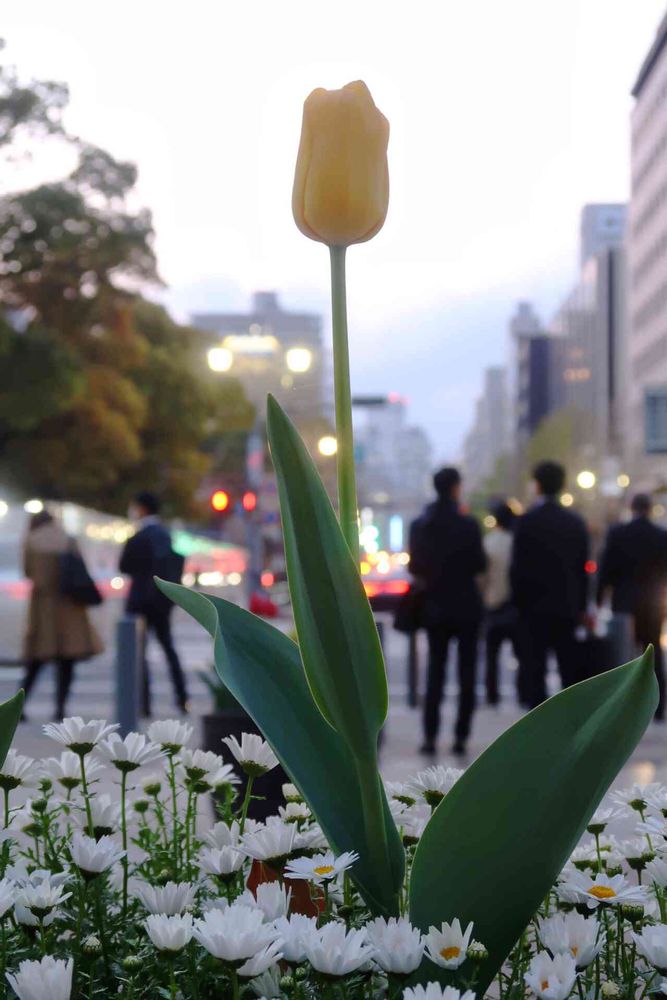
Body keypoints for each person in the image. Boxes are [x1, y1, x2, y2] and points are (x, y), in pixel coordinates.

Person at [409, 467, 487, 757]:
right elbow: (479, 564)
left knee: (435, 672)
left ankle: (430, 736)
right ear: (456, 487)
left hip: (434, 605)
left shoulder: (420, 525)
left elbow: (414, 566)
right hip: (466, 604)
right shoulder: (469, 524)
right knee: (467, 673)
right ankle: (460, 737)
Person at [510, 461, 590, 708]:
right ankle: (569, 724)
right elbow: (583, 569)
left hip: (533, 609)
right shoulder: (575, 523)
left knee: (535, 670)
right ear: (563, 485)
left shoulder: (526, 522)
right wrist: (582, 606)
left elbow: (517, 569)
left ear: (537, 486)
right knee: (569, 671)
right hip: (567, 607)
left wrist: (519, 604)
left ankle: (539, 725)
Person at [21, 510, 103, 719]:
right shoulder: (67, 538)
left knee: (36, 661)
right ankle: (60, 708)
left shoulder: (31, 540)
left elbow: (28, 571)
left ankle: (20, 706)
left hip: (43, 606)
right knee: (67, 661)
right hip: (69, 607)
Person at [597, 493, 667, 720]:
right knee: (653, 652)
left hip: (624, 602)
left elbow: (606, 570)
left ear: (631, 508)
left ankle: (625, 707)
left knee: (624, 656)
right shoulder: (661, 536)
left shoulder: (618, 534)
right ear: (649, 509)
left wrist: (599, 599)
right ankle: (658, 705)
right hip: (652, 602)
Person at [119, 492, 188, 716]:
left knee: (140, 654)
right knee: (169, 648)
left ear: (142, 509)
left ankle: (144, 704)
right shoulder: (165, 535)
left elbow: (124, 566)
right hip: (161, 599)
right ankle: (182, 697)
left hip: (139, 600)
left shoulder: (138, 537)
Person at [481, 501, 521, 706]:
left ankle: (492, 695)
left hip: (492, 603)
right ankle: (523, 693)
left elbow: (482, 576)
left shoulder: (489, 542)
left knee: (491, 655)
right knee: (522, 654)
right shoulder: (517, 542)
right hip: (515, 605)